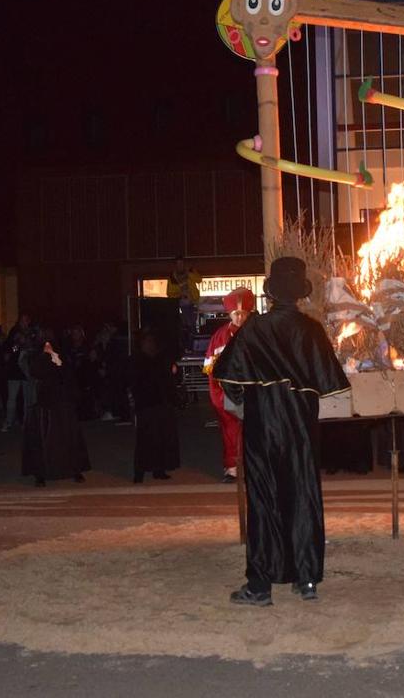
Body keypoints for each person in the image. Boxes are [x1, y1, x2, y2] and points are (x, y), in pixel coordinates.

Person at [214, 257, 350, 606]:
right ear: (300, 292)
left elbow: (227, 375)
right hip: (301, 427)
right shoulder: (311, 329)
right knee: (303, 496)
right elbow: (330, 383)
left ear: (271, 291)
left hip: (264, 424)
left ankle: (260, 585)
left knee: (264, 500)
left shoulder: (255, 329)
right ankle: (306, 580)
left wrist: (245, 397)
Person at [204, 287, 257, 482]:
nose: (239, 318)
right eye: (236, 314)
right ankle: (232, 468)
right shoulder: (220, 336)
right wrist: (219, 393)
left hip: (254, 391)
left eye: (243, 313)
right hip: (228, 393)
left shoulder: (257, 332)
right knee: (231, 431)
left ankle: (254, 468)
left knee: (255, 431)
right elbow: (210, 367)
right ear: (229, 313)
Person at [20, 336, 89, 485]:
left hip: (63, 403)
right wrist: (46, 356)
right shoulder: (35, 358)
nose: (48, 346)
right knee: (43, 440)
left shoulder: (62, 357)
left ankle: (74, 469)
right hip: (45, 405)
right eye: (45, 344)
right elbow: (35, 372)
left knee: (68, 438)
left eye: (50, 344)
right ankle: (41, 474)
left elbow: (68, 375)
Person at [129, 330, 181, 483]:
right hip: (148, 405)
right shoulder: (139, 359)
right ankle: (142, 471)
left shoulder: (159, 358)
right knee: (146, 440)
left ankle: (157, 469)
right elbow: (135, 382)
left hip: (159, 404)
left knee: (159, 438)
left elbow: (169, 379)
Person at [166, 257, 202, 352]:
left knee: (192, 325)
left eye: (181, 264)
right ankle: (188, 346)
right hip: (181, 305)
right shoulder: (172, 277)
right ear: (175, 265)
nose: (180, 266)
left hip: (193, 303)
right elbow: (169, 292)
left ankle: (193, 346)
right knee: (187, 326)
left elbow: (199, 279)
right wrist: (180, 293)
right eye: (178, 264)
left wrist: (189, 274)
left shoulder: (190, 272)